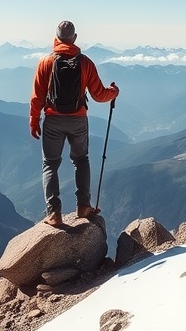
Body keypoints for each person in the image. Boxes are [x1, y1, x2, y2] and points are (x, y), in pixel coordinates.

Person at [30, 20, 119, 227]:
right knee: (81, 160)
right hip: (78, 119)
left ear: (56, 37)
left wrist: (34, 121)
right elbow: (99, 95)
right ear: (75, 38)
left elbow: (37, 97)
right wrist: (114, 92)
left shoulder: (46, 62)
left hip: (53, 119)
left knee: (50, 164)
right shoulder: (85, 62)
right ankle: (83, 206)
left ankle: (54, 213)